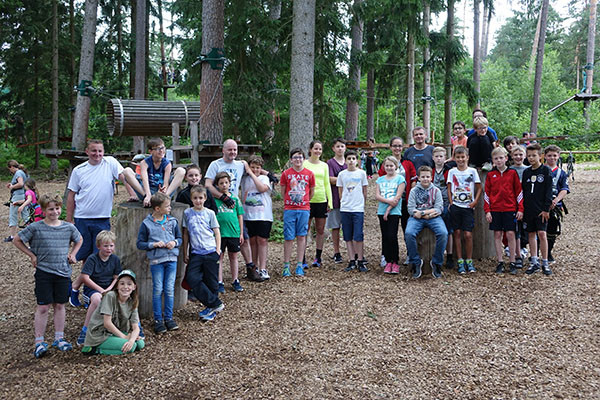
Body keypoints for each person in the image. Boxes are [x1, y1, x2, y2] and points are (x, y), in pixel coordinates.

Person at [13, 194, 83, 358]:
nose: (54, 211)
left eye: (57, 208)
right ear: (44, 210)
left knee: (60, 305)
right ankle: (39, 341)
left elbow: (79, 239)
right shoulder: (36, 227)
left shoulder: (68, 227)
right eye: (51, 209)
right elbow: (17, 240)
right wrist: (31, 255)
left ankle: (59, 338)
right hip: (44, 272)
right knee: (43, 307)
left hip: (63, 272)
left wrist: (73, 254)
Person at [204, 139, 257, 282]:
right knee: (219, 238)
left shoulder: (241, 164)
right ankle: (216, 275)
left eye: (235, 149)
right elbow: (208, 184)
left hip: (234, 205)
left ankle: (250, 267)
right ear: (223, 150)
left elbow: (253, 169)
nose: (232, 152)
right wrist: (222, 197)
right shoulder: (215, 164)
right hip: (218, 204)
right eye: (229, 150)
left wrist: (267, 174)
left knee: (243, 236)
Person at [66, 140, 123, 269]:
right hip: (82, 217)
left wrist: (133, 194)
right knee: (84, 252)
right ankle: (85, 282)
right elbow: (71, 195)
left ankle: (96, 282)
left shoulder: (109, 164)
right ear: (87, 151)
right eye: (93, 151)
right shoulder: (79, 170)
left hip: (102, 217)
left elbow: (125, 177)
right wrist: (69, 219)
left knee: (101, 253)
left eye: (100, 151)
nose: (97, 154)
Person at [136, 192, 182, 333]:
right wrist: (153, 245)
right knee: (157, 290)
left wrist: (174, 242)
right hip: (156, 261)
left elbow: (179, 239)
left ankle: (169, 318)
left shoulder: (173, 221)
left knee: (169, 289)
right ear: (157, 208)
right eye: (167, 206)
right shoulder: (147, 224)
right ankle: (158, 320)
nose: (170, 208)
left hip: (172, 260)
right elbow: (140, 243)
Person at [181, 185, 225, 322]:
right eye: (195, 198)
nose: (198, 201)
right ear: (191, 199)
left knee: (212, 281)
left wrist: (218, 250)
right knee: (192, 278)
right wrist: (185, 252)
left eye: (200, 198)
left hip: (210, 251)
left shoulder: (210, 213)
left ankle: (210, 308)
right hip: (196, 252)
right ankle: (215, 303)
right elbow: (185, 234)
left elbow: (216, 232)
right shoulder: (187, 213)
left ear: (205, 198)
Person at [81, 269, 145, 355]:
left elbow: (136, 327)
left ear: (134, 287)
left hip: (114, 333)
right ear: (117, 286)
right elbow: (107, 323)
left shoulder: (132, 301)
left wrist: (132, 339)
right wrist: (125, 337)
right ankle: (94, 349)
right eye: (122, 283)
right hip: (100, 334)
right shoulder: (110, 296)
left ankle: (118, 342)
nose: (125, 287)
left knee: (140, 344)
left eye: (129, 284)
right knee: (131, 348)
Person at [74, 230, 122, 346]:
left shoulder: (115, 259)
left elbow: (117, 277)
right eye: (105, 246)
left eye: (111, 246)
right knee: (97, 299)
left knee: (124, 296)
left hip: (108, 287)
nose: (109, 249)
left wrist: (110, 288)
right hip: (92, 289)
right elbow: (85, 277)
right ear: (99, 246)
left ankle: (128, 327)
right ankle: (85, 330)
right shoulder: (92, 259)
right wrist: (101, 290)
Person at [484, 147, 524, 275]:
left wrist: (520, 209)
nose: (499, 160)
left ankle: (512, 261)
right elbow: (487, 194)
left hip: (510, 208)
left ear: (506, 158)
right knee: (497, 234)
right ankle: (500, 261)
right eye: (496, 158)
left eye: (501, 158)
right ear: (493, 161)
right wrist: (487, 211)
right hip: (495, 209)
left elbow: (519, 192)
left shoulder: (512, 173)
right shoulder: (490, 175)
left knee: (511, 234)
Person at [378, 136, 417, 266]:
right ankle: (386, 255)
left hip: (405, 201)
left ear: (403, 147)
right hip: (388, 202)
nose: (397, 148)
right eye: (394, 146)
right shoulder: (386, 163)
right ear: (390, 147)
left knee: (407, 229)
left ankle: (409, 254)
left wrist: (411, 196)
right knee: (388, 231)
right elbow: (382, 180)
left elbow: (413, 180)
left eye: (399, 146)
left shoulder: (408, 163)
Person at [405, 166, 448, 279]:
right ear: (418, 178)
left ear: (431, 177)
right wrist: (424, 213)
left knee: (443, 233)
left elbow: (439, 208)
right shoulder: (414, 191)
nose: (425, 179)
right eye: (423, 177)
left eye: (427, 177)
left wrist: (424, 213)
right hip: (416, 218)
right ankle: (415, 261)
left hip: (433, 217)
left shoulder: (436, 190)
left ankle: (437, 262)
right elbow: (411, 208)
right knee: (409, 234)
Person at [280, 148, 315, 277]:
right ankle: (286, 265)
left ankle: (299, 264)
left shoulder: (309, 174)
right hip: (290, 209)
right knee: (288, 237)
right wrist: (288, 202)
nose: (298, 160)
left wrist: (304, 201)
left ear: (304, 159)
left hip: (304, 208)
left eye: (300, 157)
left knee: (301, 236)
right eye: (295, 157)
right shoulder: (286, 174)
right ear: (291, 160)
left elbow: (311, 191)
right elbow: (283, 190)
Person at [447, 146, 482, 274]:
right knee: (456, 233)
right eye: (458, 157)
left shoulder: (472, 171)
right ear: (454, 158)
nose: (460, 159)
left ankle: (469, 260)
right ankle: (460, 261)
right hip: (456, 206)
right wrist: (451, 202)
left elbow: (479, 188)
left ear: (467, 157)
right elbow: (449, 187)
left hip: (468, 207)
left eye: (463, 157)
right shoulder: (452, 172)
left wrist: (475, 202)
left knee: (467, 234)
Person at [121, 137, 186, 207]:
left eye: (163, 148)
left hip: (162, 192)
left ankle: (164, 198)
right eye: (158, 149)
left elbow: (166, 183)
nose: (161, 151)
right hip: (146, 190)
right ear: (150, 151)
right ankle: (147, 198)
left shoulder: (167, 163)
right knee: (126, 171)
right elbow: (144, 180)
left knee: (181, 171)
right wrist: (148, 195)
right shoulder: (145, 163)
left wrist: (163, 192)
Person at [522, 143, 553, 275]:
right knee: (531, 234)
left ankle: (545, 262)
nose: (531, 158)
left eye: (534, 155)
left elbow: (548, 191)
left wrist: (546, 209)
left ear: (540, 156)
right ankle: (534, 261)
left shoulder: (546, 171)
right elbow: (523, 190)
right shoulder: (526, 172)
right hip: (529, 209)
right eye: (529, 156)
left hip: (541, 209)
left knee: (542, 234)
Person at [241, 155, 273, 280]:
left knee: (262, 241)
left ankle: (263, 268)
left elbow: (262, 188)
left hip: (263, 215)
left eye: (257, 168)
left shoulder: (264, 178)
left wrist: (252, 173)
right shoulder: (244, 179)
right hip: (248, 214)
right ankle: (253, 267)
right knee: (252, 242)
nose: (255, 170)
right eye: (252, 167)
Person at [337, 150, 369, 272]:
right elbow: (340, 191)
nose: (351, 161)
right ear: (345, 161)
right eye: (349, 158)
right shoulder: (342, 174)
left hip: (358, 209)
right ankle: (351, 260)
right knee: (347, 236)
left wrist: (362, 204)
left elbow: (364, 191)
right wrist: (343, 203)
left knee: (358, 235)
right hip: (345, 208)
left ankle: (360, 260)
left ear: (357, 160)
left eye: (353, 159)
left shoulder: (361, 173)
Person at [303, 140, 333, 268]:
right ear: (310, 150)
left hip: (321, 200)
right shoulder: (304, 164)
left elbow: (327, 183)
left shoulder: (324, 165)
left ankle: (318, 257)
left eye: (320, 149)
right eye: (315, 149)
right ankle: (302, 258)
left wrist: (330, 201)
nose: (318, 151)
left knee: (320, 230)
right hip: (307, 200)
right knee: (305, 229)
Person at [213, 172, 245, 292]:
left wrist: (241, 233)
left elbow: (240, 216)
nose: (224, 185)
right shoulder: (215, 199)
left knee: (234, 256)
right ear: (217, 185)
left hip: (233, 233)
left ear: (230, 183)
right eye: (221, 183)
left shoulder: (235, 198)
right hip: (220, 234)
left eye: (226, 182)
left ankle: (235, 280)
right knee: (219, 257)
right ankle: (219, 281)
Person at [375, 157, 406, 274]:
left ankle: (395, 261)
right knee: (385, 236)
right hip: (381, 211)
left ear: (395, 166)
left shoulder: (400, 179)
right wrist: (387, 205)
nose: (389, 168)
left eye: (391, 166)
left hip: (394, 211)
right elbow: (377, 196)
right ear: (384, 167)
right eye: (387, 166)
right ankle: (388, 261)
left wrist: (389, 208)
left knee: (392, 236)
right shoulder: (380, 180)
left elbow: (398, 196)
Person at [544, 145, 569, 265]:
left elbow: (564, 188)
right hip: (540, 205)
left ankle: (548, 252)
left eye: (554, 155)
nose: (552, 158)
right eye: (549, 155)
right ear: (544, 156)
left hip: (555, 206)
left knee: (552, 231)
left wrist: (556, 200)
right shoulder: (540, 170)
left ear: (558, 156)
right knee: (539, 230)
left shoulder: (561, 173)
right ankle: (537, 253)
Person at [432, 147, 456, 269]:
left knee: (448, 230)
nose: (439, 158)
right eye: (436, 156)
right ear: (433, 158)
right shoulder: (430, 171)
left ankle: (450, 255)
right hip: (433, 205)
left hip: (446, 203)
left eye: (441, 156)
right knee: (436, 230)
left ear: (445, 157)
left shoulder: (449, 170)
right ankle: (437, 255)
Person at [326, 138, 347, 264]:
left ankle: (353, 252)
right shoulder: (330, 163)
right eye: (337, 146)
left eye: (342, 146)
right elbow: (330, 179)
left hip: (350, 201)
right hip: (335, 199)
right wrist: (346, 177)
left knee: (350, 227)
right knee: (335, 227)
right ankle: (336, 252)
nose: (340, 148)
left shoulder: (350, 161)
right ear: (333, 148)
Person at [510, 146, 529, 267]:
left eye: (520, 154)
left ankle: (530, 253)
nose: (518, 157)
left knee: (527, 229)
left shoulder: (528, 170)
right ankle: (517, 255)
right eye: (515, 155)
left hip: (527, 203)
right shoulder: (509, 170)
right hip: (513, 204)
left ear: (525, 156)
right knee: (515, 229)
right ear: (512, 156)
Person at [5, 160, 28, 242]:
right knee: (26, 215)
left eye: (9, 168)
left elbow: (20, 184)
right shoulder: (22, 172)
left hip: (17, 196)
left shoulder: (18, 173)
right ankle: (33, 233)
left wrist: (12, 187)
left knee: (13, 215)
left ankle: (12, 236)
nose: (10, 171)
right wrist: (12, 185)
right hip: (23, 195)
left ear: (11, 167)